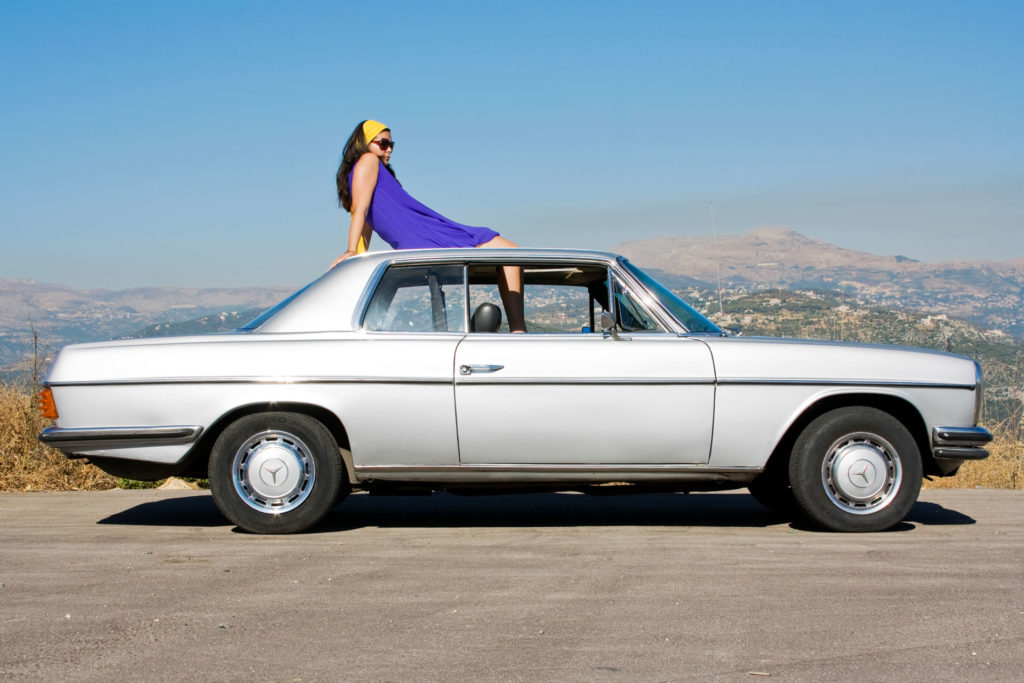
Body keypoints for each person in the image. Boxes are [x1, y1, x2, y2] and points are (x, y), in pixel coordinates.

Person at [332, 120, 526, 332]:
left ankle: (518, 329)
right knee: (511, 252)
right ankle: (518, 329)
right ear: (363, 143)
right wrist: (352, 250)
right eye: (383, 144)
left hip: (422, 233)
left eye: (391, 145)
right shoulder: (368, 160)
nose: (389, 150)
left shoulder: (369, 170)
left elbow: (365, 218)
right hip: (424, 233)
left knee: (509, 252)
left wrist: (360, 255)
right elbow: (361, 211)